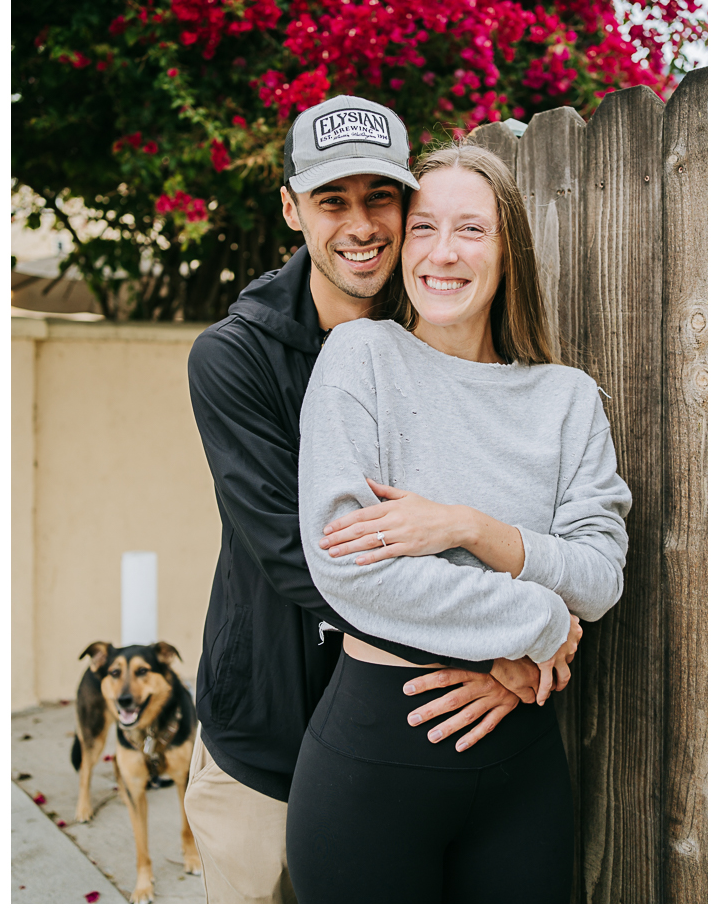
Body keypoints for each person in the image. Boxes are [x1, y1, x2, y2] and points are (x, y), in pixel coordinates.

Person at [184, 97, 543, 904]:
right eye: (331, 200)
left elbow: (518, 513)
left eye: (380, 197)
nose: (361, 224)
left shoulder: (445, 333)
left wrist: (543, 623)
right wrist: (504, 645)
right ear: (290, 208)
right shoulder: (232, 360)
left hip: (415, 738)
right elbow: (308, 559)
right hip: (267, 746)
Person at [286, 142, 632, 904]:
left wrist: (469, 527)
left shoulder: (566, 399)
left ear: (510, 249)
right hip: (374, 766)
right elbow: (349, 565)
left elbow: (601, 577)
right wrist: (540, 621)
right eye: (425, 228)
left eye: (472, 230)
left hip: (525, 770)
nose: (444, 253)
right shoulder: (360, 357)